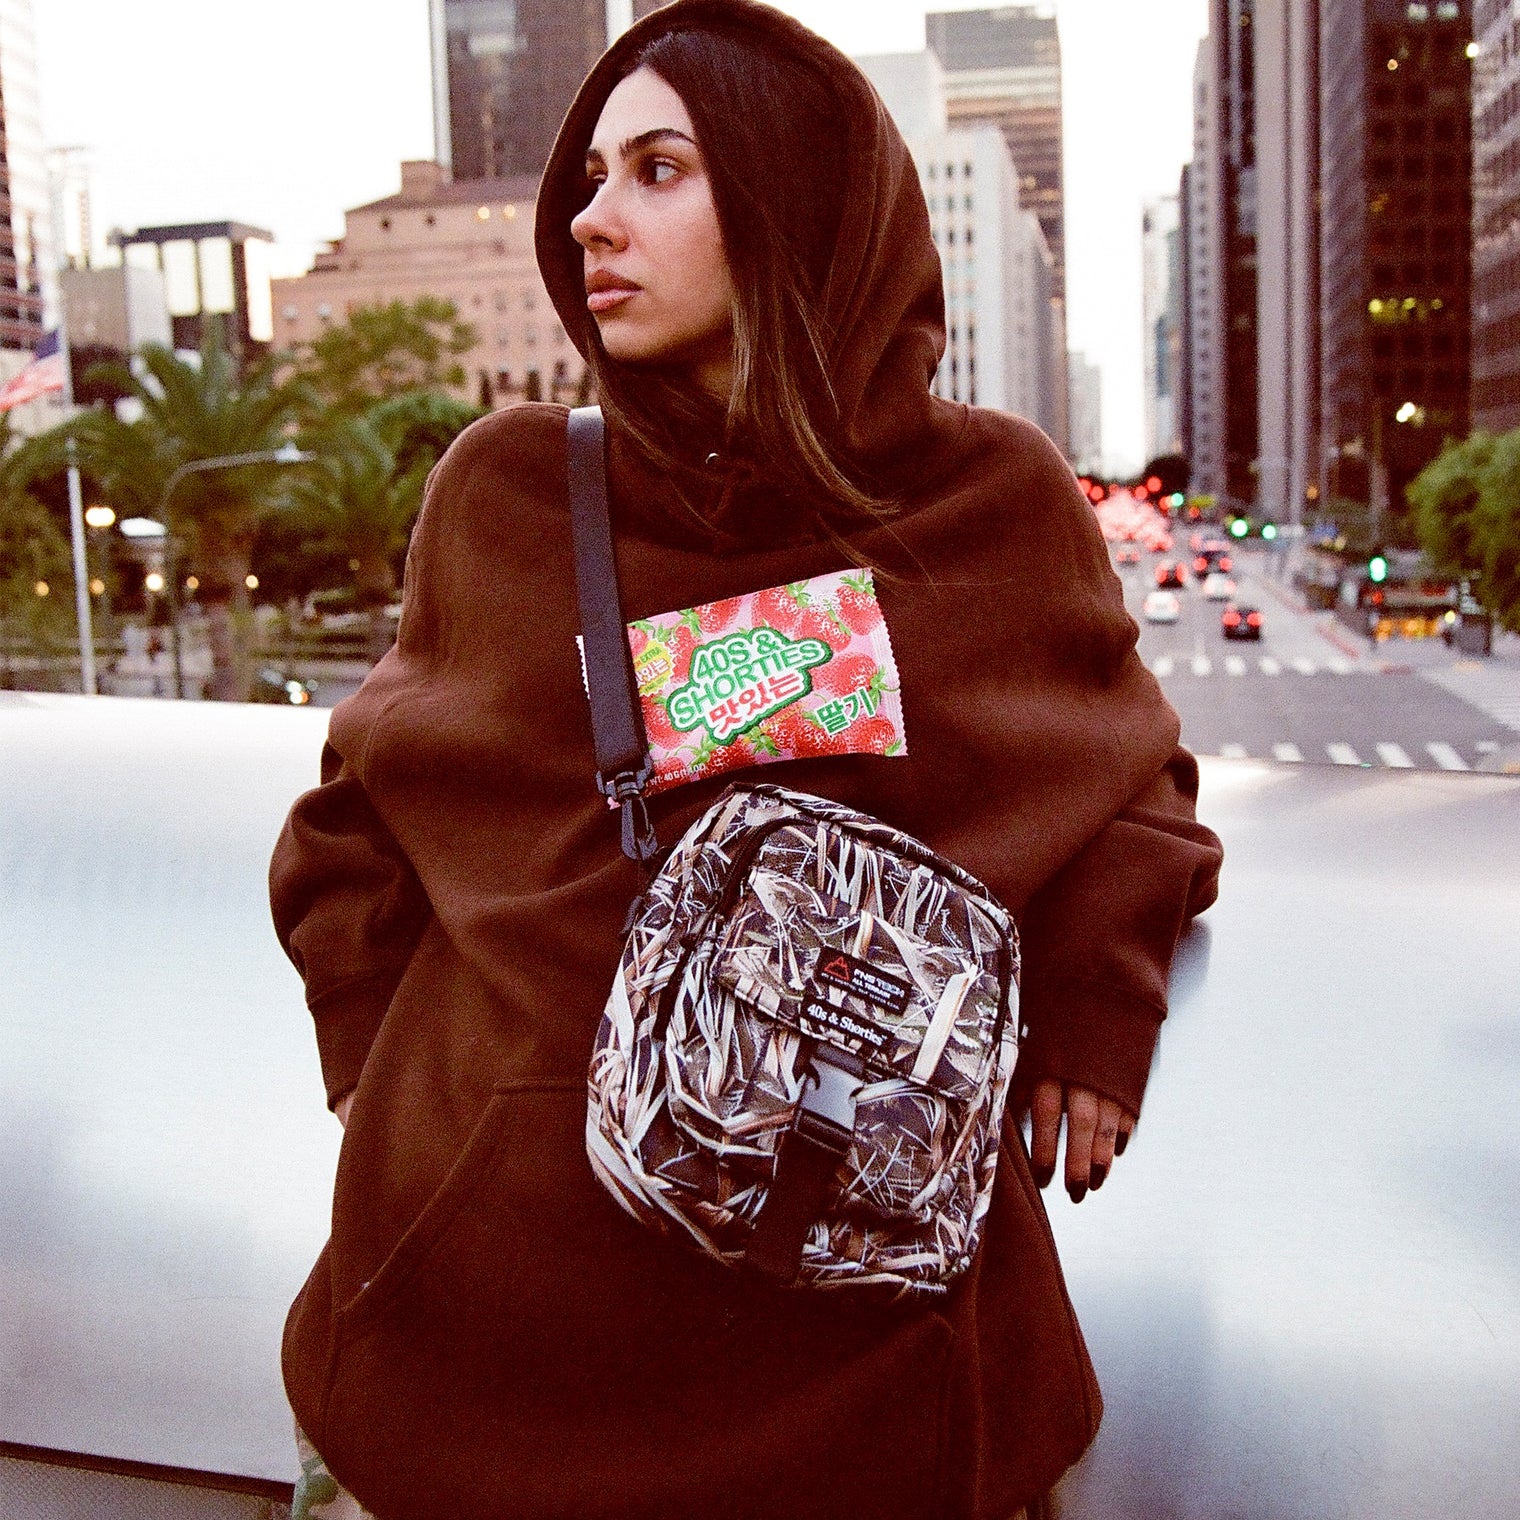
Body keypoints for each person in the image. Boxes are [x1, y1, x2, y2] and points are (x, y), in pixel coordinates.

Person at [269, 3, 1223, 1517]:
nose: (592, 220)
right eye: (588, 178)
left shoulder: (992, 503)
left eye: (660, 170)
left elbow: (1126, 784)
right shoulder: (509, 496)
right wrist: (434, 1129)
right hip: (485, 1375)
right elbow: (347, 839)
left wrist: (1099, 1013)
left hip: (862, 1369)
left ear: (797, 208)